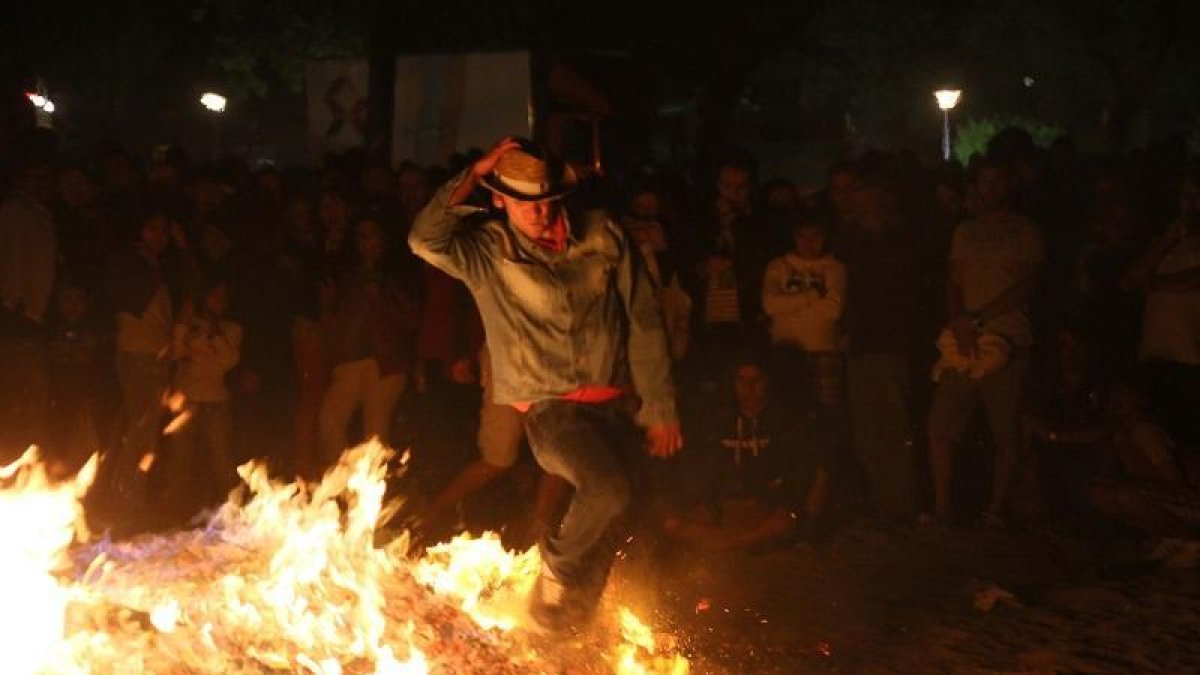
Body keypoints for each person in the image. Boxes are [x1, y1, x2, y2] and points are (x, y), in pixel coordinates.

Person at [409, 137, 681, 632]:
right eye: (522, 202)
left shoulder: (602, 234)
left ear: (558, 196)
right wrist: (475, 171)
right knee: (607, 491)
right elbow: (425, 239)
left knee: (625, 515)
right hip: (551, 409)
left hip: (616, 402)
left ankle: (565, 625)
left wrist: (660, 406)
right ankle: (553, 569)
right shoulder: (488, 251)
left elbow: (644, 319)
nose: (535, 213)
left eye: (543, 201)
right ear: (499, 199)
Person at [927, 159, 1044, 527]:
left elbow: (1026, 284)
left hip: (1007, 337)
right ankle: (943, 507)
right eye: (984, 182)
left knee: (1005, 431)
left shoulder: (1025, 231)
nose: (990, 189)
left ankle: (995, 510)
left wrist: (979, 317)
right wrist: (960, 320)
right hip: (965, 341)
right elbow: (953, 280)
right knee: (940, 426)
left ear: (1009, 183)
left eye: (997, 181)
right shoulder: (965, 231)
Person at [661, 355, 830, 551]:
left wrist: (774, 500)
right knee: (672, 523)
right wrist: (710, 501)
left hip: (764, 508)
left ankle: (718, 546)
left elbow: (797, 473)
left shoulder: (785, 423)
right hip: (725, 508)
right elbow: (702, 469)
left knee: (781, 522)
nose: (749, 388)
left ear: (768, 381)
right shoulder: (719, 421)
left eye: (756, 380)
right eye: (741, 380)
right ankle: (729, 542)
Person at [317, 216, 418, 468]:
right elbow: (338, 322)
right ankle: (342, 486)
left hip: (383, 360)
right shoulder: (349, 275)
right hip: (349, 361)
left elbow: (410, 320)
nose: (365, 242)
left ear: (383, 238)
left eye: (371, 235)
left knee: (374, 434)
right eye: (360, 236)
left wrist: (381, 299)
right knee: (329, 420)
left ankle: (371, 497)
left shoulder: (397, 273)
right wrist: (329, 306)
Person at [165, 277, 243, 516]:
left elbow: (228, 362)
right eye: (213, 296)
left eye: (222, 298)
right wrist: (182, 325)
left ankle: (233, 508)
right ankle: (174, 510)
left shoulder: (231, 329)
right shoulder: (189, 327)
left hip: (215, 401)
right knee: (180, 458)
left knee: (222, 458)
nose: (217, 302)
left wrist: (214, 334)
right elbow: (175, 353)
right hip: (187, 401)